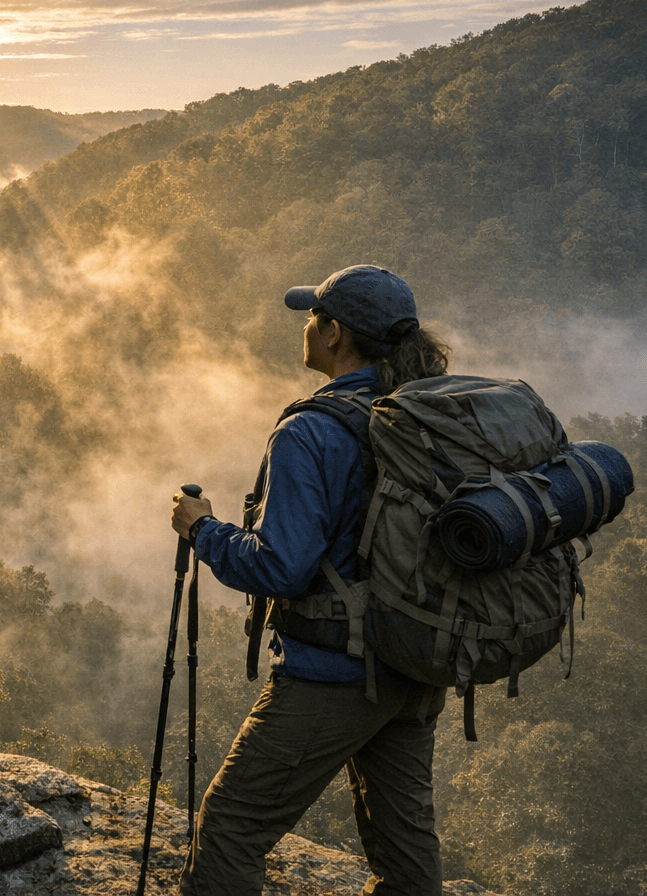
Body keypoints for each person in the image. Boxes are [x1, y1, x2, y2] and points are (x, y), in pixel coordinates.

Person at [170, 264, 452, 896]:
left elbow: (280, 566)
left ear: (334, 335)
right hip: (414, 661)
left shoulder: (311, 431)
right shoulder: (423, 411)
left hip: (335, 672)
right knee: (406, 853)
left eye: (313, 316)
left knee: (229, 831)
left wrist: (202, 530)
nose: (306, 326)